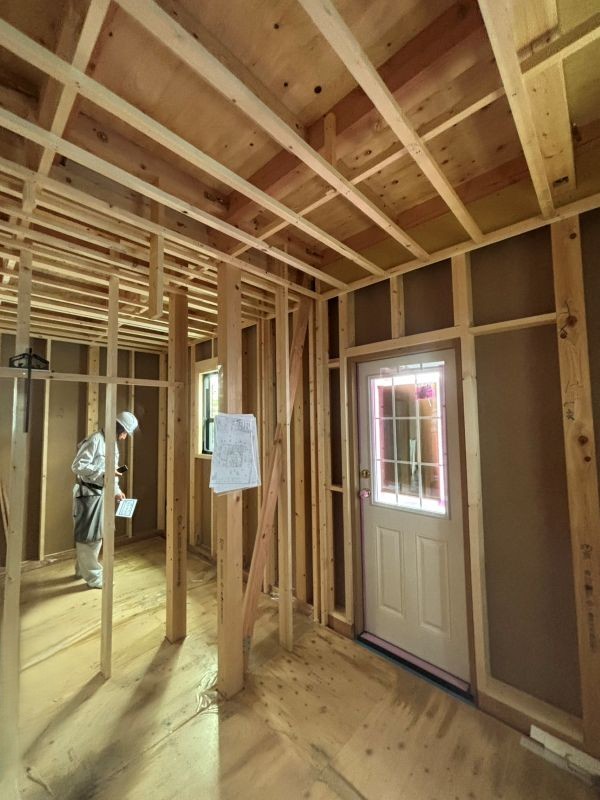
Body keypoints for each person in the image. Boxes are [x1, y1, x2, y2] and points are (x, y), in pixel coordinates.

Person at [71, 411, 139, 588]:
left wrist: (116, 490)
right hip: (88, 493)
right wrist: (104, 473)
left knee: (93, 534)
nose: (124, 438)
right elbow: (78, 466)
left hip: (99, 493)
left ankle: (82, 569)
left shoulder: (112, 444)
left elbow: (112, 471)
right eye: (124, 433)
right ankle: (94, 577)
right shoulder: (95, 440)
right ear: (118, 428)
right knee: (90, 538)